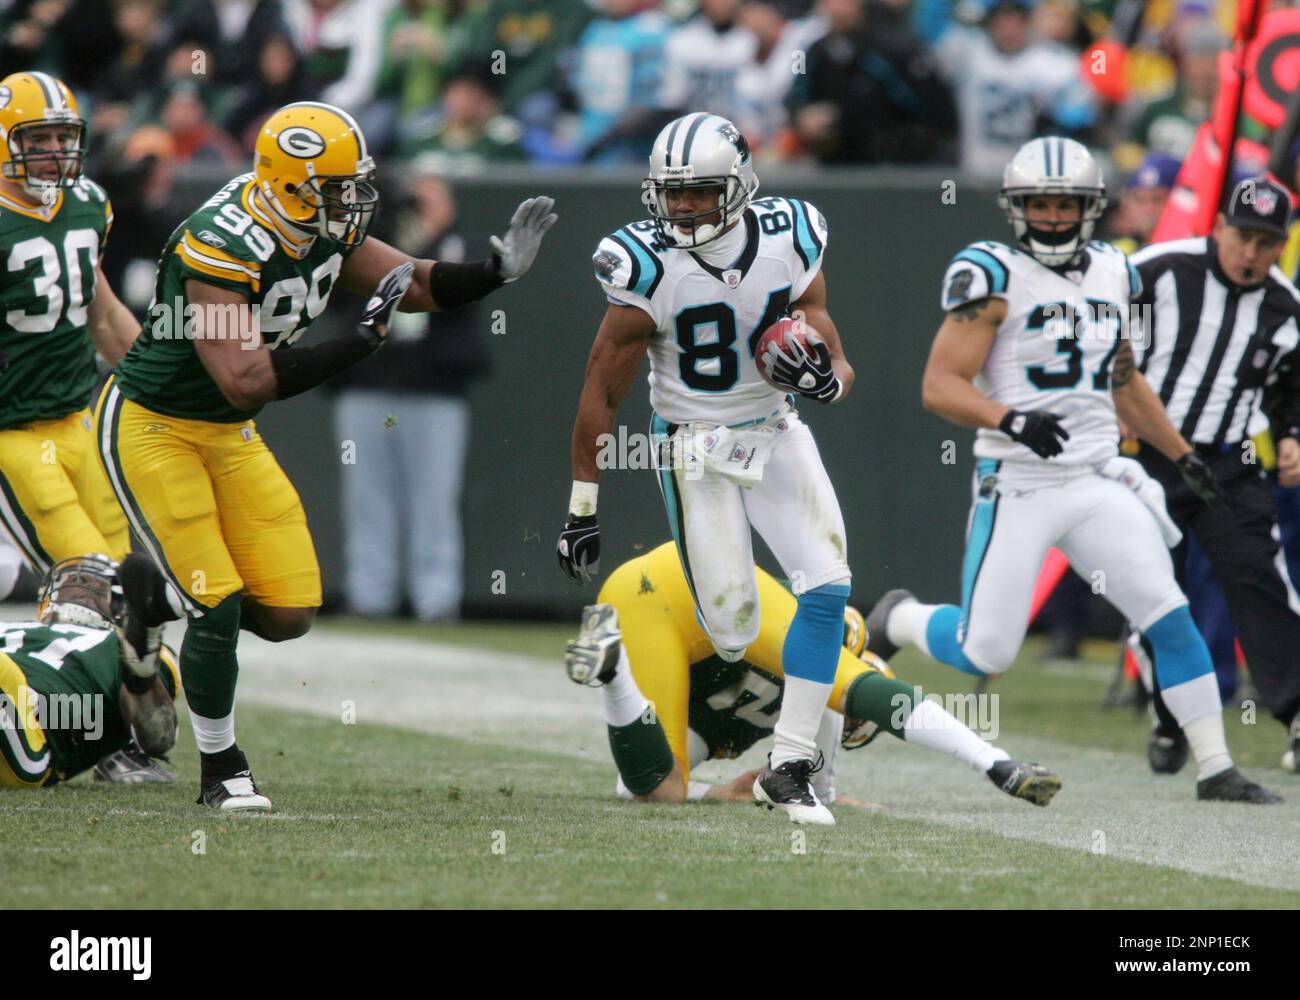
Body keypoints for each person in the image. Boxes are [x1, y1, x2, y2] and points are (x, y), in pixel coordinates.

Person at [96, 100, 557, 812]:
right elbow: (244, 377)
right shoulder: (218, 244)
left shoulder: (314, 224)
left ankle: (151, 600)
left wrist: (494, 271)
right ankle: (222, 768)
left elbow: (415, 282)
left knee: (289, 610)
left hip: (227, 432)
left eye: (351, 186)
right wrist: (360, 343)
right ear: (289, 186)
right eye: (335, 188)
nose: (350, 202)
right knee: (217, 604)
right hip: (156, 426)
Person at [864, 136, 1279, 803]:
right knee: (986, 651)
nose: (1053, 216)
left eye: (1066, 204)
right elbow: (940, 384)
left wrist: (1182, 455)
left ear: (1090, 208)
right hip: (1018, 483)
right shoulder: (991, 272)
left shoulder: (1118, 272)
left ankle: (1216, 766)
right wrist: (1010, 419)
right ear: (1016, 208)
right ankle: (900, 618)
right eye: (1041, 204)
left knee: (1168, 615)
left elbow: (1124, 379)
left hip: (1093, 479)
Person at [557, 112, 855, 826]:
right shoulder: (645, 262)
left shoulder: (792, 232)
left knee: (828, 585)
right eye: (673, 192)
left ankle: (790, 764)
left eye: (700, 191)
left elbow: (828, 339)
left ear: (741, 185)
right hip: (694, 445)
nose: (684, 206)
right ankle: (625, 667)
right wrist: (581, 507)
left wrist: (828, 379)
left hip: (776, 428)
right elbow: (602, 390)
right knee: (731, 629)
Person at [564, 542, 1062, 808]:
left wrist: (727, 794)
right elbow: (867, 689)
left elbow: (638, 786)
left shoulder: (742, 730)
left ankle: (613, 671)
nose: (848, 719)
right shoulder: (835, 671)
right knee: (833, 673)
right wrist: (991, 759)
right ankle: (616, 679)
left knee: (660, 788)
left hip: (666, 581)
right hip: (700, 599)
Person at [0, 71, 160, 782]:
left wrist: (159, 389)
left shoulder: (88, 203)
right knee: (86, 580)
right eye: (38, 141)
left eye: (66, 140)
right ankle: (86, 738)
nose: (54, 156)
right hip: (10, 430)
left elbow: (100, 314)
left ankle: (107, 729)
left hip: (79, 419)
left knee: (127, 583)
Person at [1129, 176, 1300, 776]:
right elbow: (1101, 351)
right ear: (1218, 227)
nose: (1252, 253)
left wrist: (1293, 438)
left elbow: (1290, 389)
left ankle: (1296, 712)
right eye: (1243, 236)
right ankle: (1171, 716)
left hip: (1228, 461)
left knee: (1259, 578)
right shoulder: (1155, 272)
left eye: (1267, 242)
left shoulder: (1283, 306)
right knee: (1153, 593)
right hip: (1143, 453)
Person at [332, 173, 489, 621]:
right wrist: (385, 221)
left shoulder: (460, 245)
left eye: (430, 198)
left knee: (434, 500)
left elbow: (465, 291)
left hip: (435, 394)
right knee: (367, 498)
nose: (417, 206)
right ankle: (369, 595)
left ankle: (436, 600)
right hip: (368, 387)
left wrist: (436, 233)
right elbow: (339, 299)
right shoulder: (368, 244)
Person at [0, 553, 179, 789]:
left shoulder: (126, 647)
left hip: (30, 736)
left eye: (98, 586)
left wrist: (141, 667)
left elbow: (158, 737)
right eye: (74, 580)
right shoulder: (11, 625)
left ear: (121, 605)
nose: (82, 587)